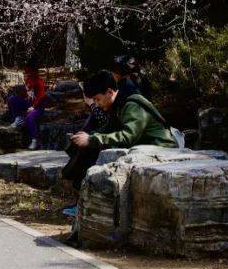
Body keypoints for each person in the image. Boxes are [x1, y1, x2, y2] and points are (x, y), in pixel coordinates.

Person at [60, 70, 177, 217]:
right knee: (88, 148)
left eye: (97, 99)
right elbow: (108, 129)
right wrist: (88, 137)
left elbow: (128, 136)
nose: (97, 104)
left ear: (109, 92)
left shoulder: (133, 104)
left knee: (93, 150)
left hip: (160, 150)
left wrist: (92, 140)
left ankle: (86, 203)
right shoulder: (118, 105)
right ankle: (82, 200)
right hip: (142, 148)